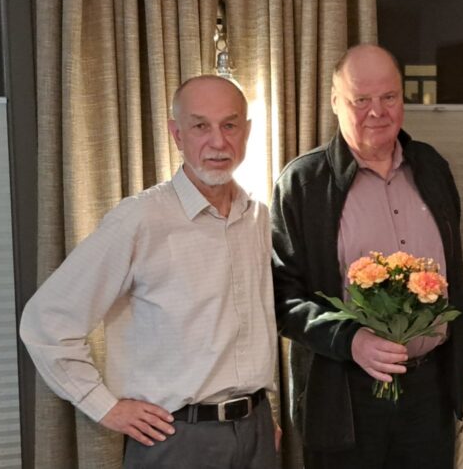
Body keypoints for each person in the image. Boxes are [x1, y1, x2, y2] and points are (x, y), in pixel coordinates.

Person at [20, 75, 278, 468]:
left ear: (247, 131)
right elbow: (46, 321)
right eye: (200, 126)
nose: (218, 141)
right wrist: (104, 406)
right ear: (177, 134)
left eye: (229, 125)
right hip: (175, 440)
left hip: (256, 433)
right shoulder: (139, 219)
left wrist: (260, 417)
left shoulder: (257, 216)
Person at [270, 44, 463, 469]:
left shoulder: (433, 168)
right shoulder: (303, 183)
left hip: (430, 391)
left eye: (389, 97)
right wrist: (350, 340)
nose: (377, 111)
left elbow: (454, 278)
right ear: (335, 102)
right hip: (344, 394)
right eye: (360, 99)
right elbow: (281, 298)